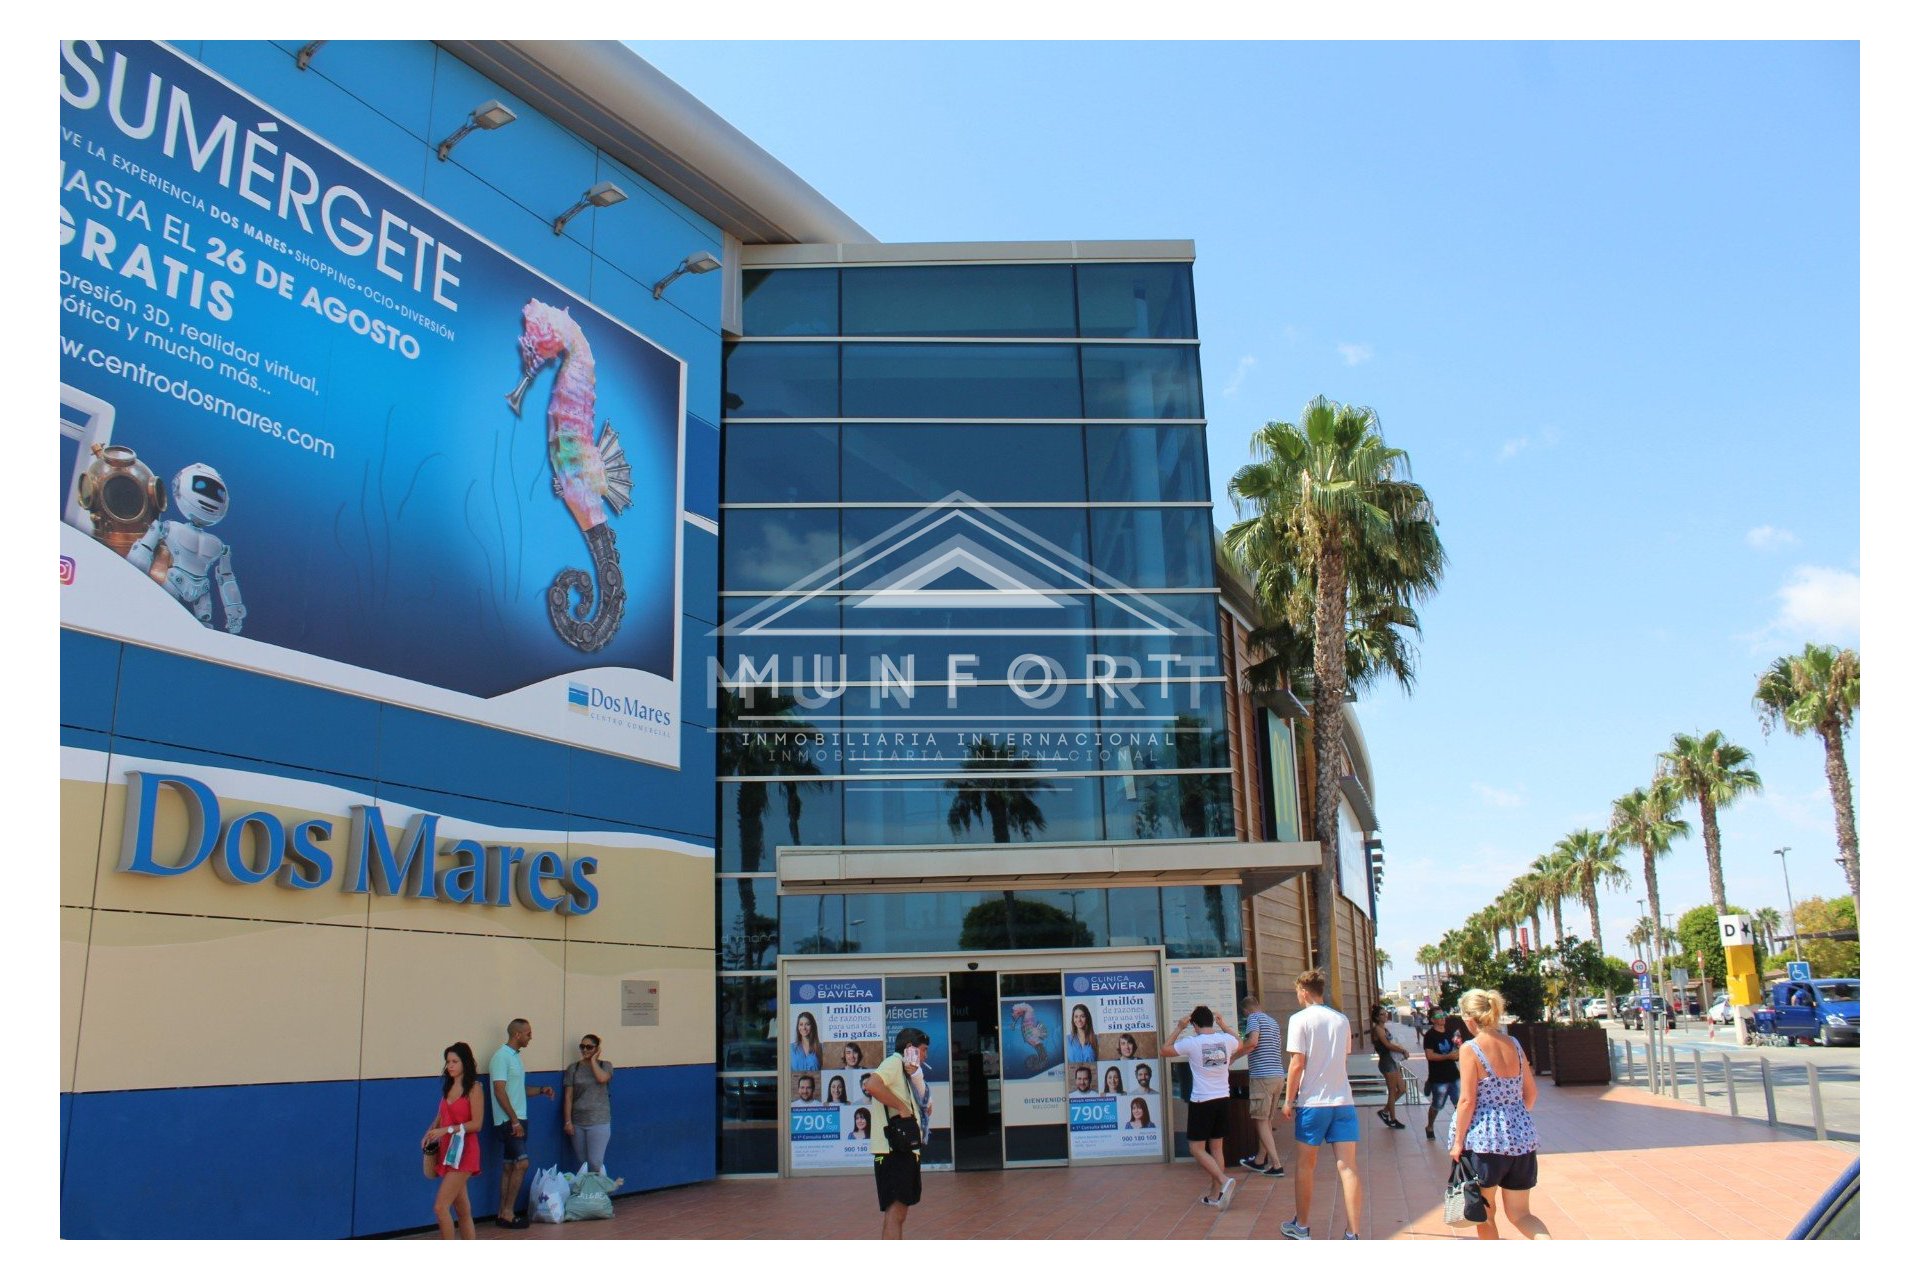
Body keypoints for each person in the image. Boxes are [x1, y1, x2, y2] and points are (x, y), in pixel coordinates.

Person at [1449, 988, 1551, 1240]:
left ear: (1470, 1018)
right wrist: (1515, 1118)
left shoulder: (1470, 1049)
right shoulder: (1514, 1044)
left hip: (1486, 1142)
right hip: (1522, 1139)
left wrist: (1458, 1141)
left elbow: (1466, 1100)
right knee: (1521, 1215)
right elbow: (1531, 1093)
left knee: (1484, 1213)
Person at [1280, 970, 1364, 1240]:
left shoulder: (1299, 1020)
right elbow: (1343, 1058)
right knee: (1348, 1168)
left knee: (1306, 1166)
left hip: (1312, 1104)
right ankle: (1353, 1233)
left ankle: (1302, 1226)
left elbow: (1297, 1063)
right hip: (1343, 1102)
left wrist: (1288, 1099)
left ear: (1304, 991)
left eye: (1297, 992)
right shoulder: (1341, 1020)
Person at [1161, 1005, 1240, 1210]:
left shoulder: (1192, 1043)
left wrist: (1179, 1028)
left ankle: (1223, 1181)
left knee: (1196, 1148)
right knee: (1216, 1148)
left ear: (1194, 1025)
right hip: (1223, 1098)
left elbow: (1164, 1050)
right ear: (1212, 1022)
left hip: (1202, 1101)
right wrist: (1224, 1026)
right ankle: (1216, 1195)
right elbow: (1239, 1042)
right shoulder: (1227, 1040)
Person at [867, 1026, 934, 1239]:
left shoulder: (906, 1071)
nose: (925, 1056)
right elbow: (872, 1085)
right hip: (893, 1151)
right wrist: (902, 1107)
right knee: (895, 1211)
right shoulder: (893, 1062)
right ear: (909, 1048)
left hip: (902, 1150)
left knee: (899, 1212)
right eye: (922, 1050)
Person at [489, 1018, 554, 1229]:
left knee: (509, 1165)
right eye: (528, 1033)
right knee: (522, 1163)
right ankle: (508, 1212)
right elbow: (499, 1090)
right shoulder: (501, 1057)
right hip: (509, 1121)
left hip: (518, 1120)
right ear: (517, 1035)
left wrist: (541, 1090)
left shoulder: (515, 1058)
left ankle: (502, 1213)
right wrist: (514, 1120)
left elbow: (518, 1090)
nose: (530, 1037)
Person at [422, 1042, 485, 1239]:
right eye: (448, 1061)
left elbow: (477, 1124)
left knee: (441, 1207)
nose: (450, 1065)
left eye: (455, 1061)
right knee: (463, 1210)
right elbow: (441, 1115)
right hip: (448, 1152)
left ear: (465, 1063)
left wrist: (446, 1130)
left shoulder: (474, 1088)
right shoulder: (448, 1086)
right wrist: (429, 1133)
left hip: (465, 1152)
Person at [1232, 993, 1287, 1178]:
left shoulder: (1253, 1019)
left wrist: (1232, 1058)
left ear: (1246, 1010)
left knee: (1261, 1120)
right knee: (1267, 1120)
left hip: (1262, 1076)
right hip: (1278, 1075)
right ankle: (1259, 1159)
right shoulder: (1272, 1021)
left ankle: (1276, 1165)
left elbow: (1253, 1042)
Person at [562, 1032, 614, 1174]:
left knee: (595, 1162)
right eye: (582, 1046)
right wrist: (568, 1121)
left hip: (599, 1120)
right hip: (578, 1120)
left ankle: (599, 1192)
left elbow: (602, 1079)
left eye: (589, 1047)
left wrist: (592, 1061)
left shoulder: (605, 1065)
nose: (585, 1050)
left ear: (597, 1049)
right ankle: (587, 1193)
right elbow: (568, 1096)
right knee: (582, 1163)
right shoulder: (574, 1068)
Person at [1422, 1008, 1462, 1141]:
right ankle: (1430, 1126)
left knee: (1460, 1104)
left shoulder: (1451, 1033)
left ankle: (1461, 1130)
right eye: (1439, 1015)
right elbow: (1430, 1055)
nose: (1443, 1017)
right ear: (1432, 1020)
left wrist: (1457, 1054)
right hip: (1439, 1078)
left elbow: (1456, 1050)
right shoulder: (1430, 1035)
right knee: (1437, 1105)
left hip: (1454, 1075)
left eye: (1444, 1014)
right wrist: (1448, 1056)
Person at [1371, 1007, 1411, 1129]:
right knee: (1392, 1091)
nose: (1385, 1015)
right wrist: (1402, 1050)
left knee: (1402, 1089)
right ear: (1377, 1017)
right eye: (1382, 1014)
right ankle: (1392, 1119)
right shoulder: (1378, 1029)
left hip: (1393, 1061)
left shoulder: (1384, 1028)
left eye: (1386, 1013)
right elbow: (1387, 1045)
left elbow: (1392, 1042)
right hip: (1386, 1062)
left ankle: (1384, 1111)